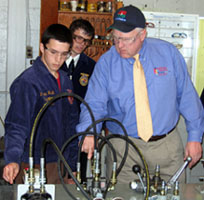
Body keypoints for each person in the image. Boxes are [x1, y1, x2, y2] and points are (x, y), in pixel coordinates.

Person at [76, 5, 204, 184]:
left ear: (142, 35)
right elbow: (94, 103)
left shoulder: (168, 54)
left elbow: (188, 98)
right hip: (123, 148)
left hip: (165, 146)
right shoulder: (106, 63)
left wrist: (195, 138)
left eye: (126, 39)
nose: (119, 45)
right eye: (116, 38)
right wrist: (89, 132)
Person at [3, 24, 79, 184]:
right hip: (33, 162)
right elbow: (17, 124)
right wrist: (12, 159)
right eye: (53, 52)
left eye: (64, 54)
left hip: (61, 162)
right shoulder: (28, 82)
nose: (58, 60)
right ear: (42, 48)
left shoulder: (65, 80)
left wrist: (71, 166)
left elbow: (72, 124)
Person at [61, 19, 95, 183]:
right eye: (78, 38)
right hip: (56, 125)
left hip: (79, 128)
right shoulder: (55, 61)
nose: (82, 44)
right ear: (70, 35)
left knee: (76, 175)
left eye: (86, 41)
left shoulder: (91, 66)